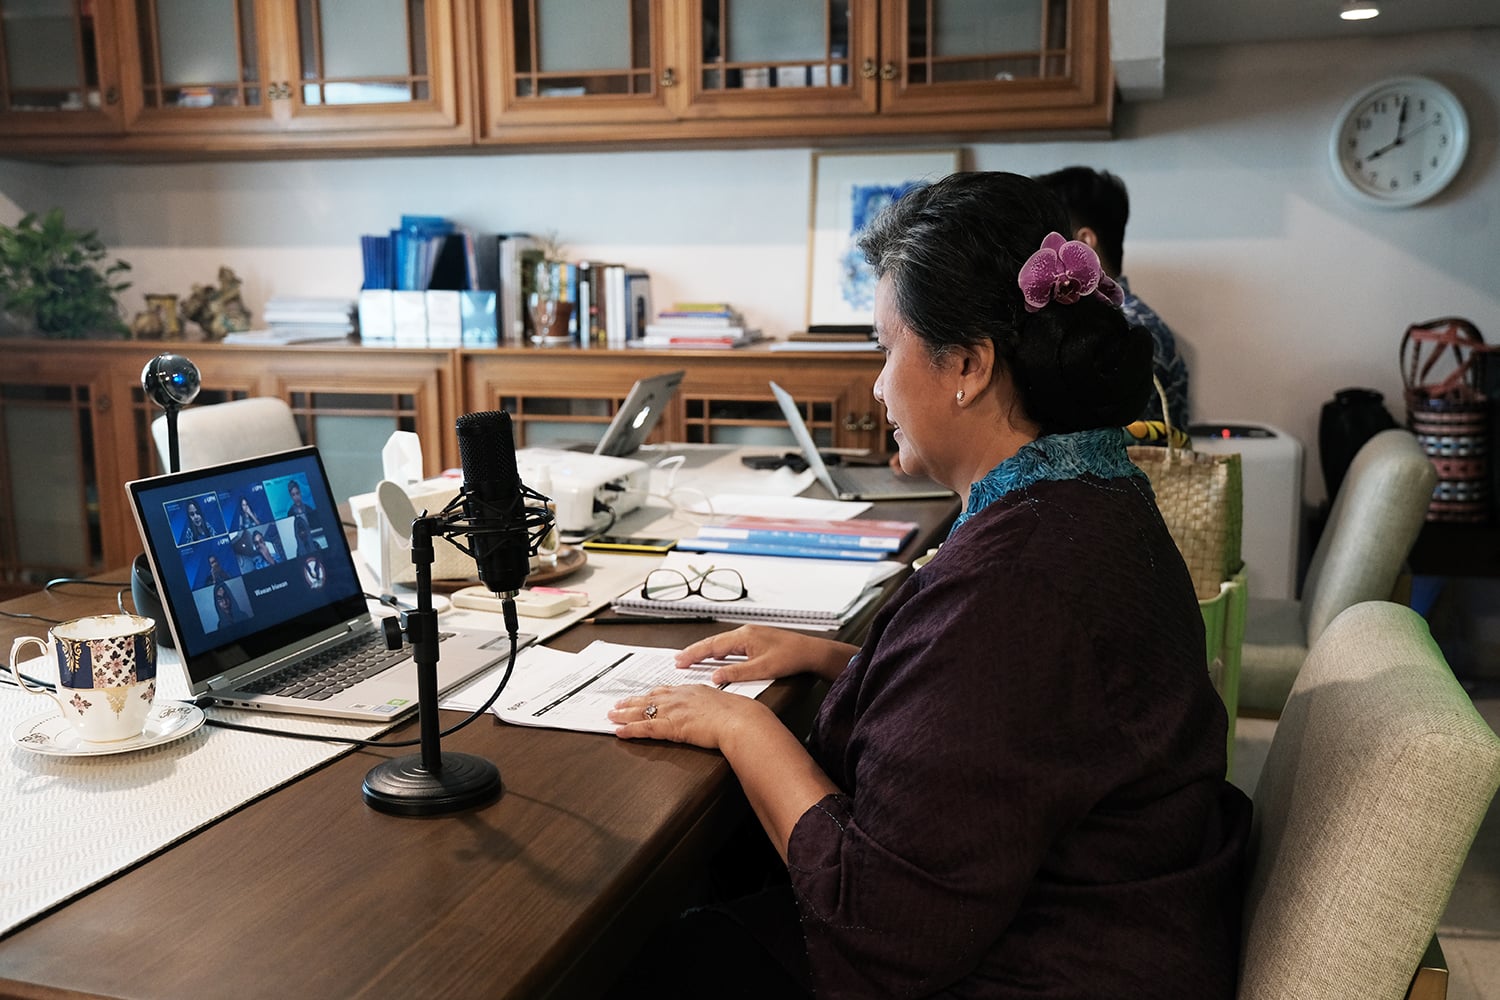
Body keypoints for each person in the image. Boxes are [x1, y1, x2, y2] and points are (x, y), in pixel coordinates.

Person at [607, 172, 1249, 998]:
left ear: (970, 365)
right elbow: (1009, 712)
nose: (878, 386)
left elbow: (881, 930)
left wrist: (739, 727)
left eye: (886, 347)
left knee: (666, 952)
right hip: (1110, 920)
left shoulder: (1020, 583)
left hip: (1043, 965)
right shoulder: (1092, 491)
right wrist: (845, 661)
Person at [1034, 165, 1191, 429]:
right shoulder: (1124, 321)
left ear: (1083, 242)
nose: (1038, 255)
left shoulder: (1123, 330)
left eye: (1046, 240)